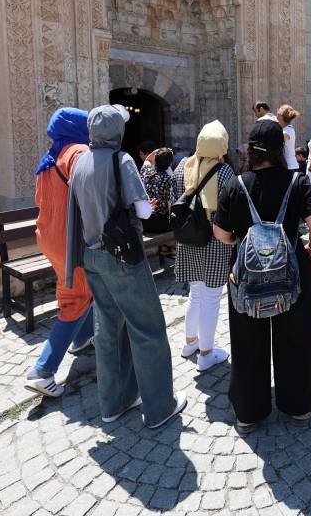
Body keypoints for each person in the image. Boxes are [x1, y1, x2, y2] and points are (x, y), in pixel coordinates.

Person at [65, 104, 186, 428]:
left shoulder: (79, 162)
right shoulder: (122, 161)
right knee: (147, 328)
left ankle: (113, 403)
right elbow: (144, 212)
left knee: (108, 329)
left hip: (91, 256)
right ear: (117, 131)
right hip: (122, 257)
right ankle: (159, 407)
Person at [212, 120, 311, 433]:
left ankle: (249, 412)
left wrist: (239, 242)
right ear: (280, 149)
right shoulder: (297, 181)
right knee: (295, 339)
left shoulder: (235, 183)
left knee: (248, 342)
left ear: (250, 149)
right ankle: (298, 406)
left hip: (247, 276)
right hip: (291, 271)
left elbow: (220, 232)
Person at [25, 108, 94, 397]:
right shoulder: (77, 153)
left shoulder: (48, 160)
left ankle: (82, 338)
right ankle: (43, 370)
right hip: (70, 241)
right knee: (76, 297)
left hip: (49, 238)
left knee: (77, 290)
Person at [172, 121, 235, 372]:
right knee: (210, 297)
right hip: (214, 240)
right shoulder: (225, 172)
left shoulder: (181, 167)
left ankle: (190, 343)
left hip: (188, 239)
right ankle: (206, 354)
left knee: (195, 293)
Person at [276, 104, 301, 171]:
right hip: (286, 165)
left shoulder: (289, 130)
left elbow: (284, 136)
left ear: (281, 116)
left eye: (277, 115)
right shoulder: (285, 129)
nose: (276, 117)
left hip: (290, 166)